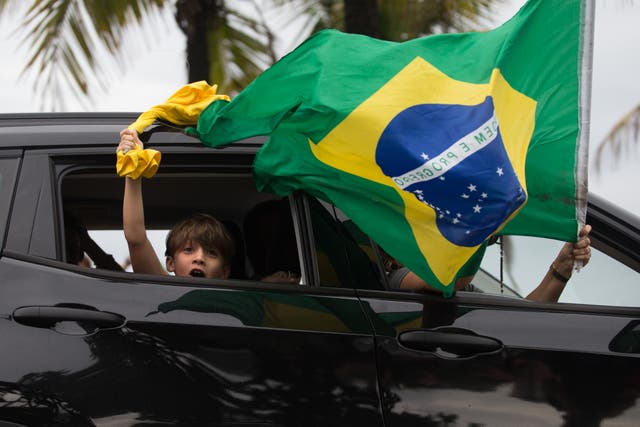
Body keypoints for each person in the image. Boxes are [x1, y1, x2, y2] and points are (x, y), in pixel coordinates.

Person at [118, 128, 235, 279]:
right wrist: (133, 165)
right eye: (188, 250)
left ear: (225, 272)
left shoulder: (239, 301)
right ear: (170, 263)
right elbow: (136, 238)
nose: (199, 258)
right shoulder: (165, 289)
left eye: (211, 253)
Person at [387, 224, 592, 302]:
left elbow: (522, 319)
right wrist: (482, 225)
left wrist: (561, 268)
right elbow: (448, 279)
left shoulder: (465, 288)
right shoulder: (398, 279)